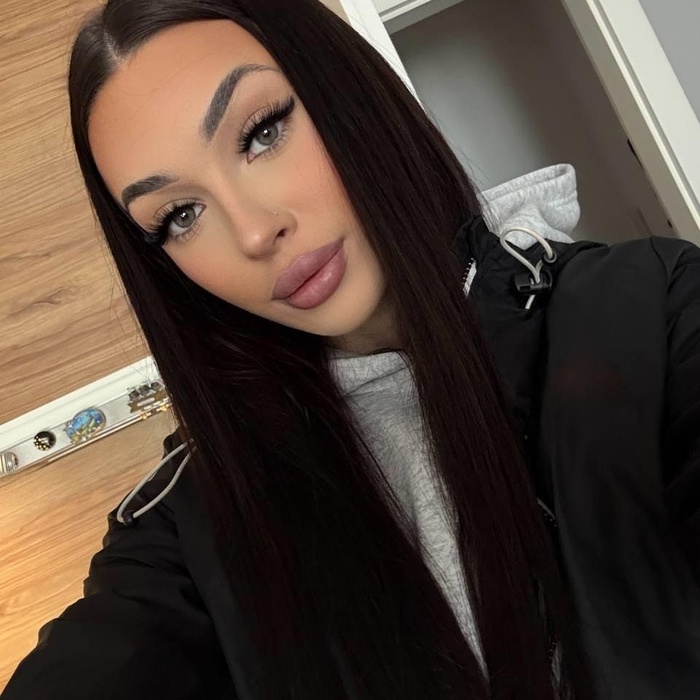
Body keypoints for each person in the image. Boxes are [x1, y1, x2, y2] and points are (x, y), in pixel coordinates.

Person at [4, 0, 700, 697]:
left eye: (262, 132)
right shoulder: (194, 524)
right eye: (180, 215)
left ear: (345, 88)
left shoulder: (654, 314)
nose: (254, 232)